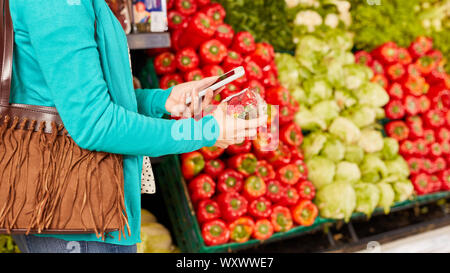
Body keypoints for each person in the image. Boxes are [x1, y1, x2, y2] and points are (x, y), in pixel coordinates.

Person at [9, 0, 266, 253]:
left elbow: (83, 103)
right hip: (74, 214)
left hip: (90, 210)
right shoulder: (57, 5)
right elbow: (96, 124)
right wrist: (205, 131)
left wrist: (164, 100)